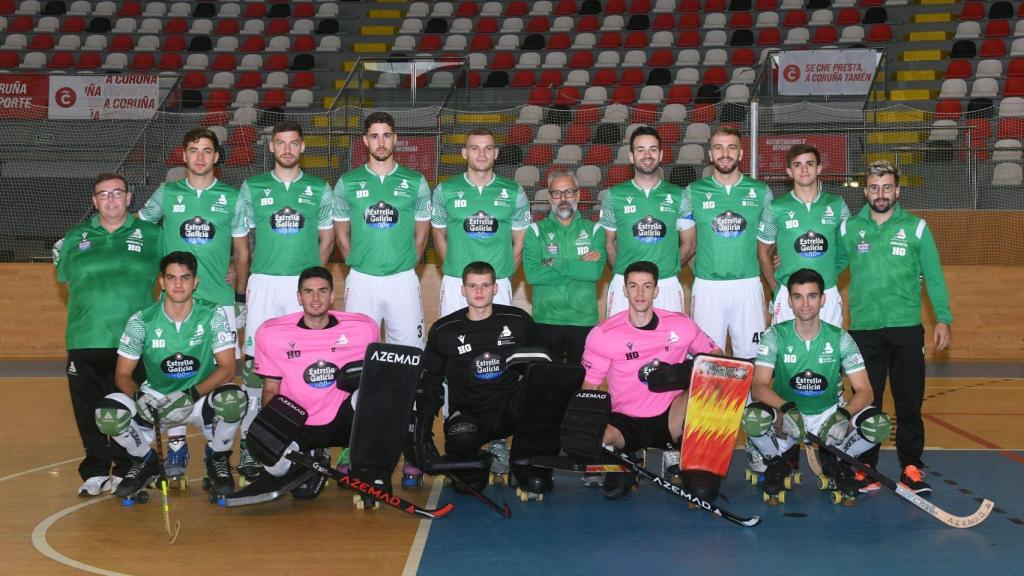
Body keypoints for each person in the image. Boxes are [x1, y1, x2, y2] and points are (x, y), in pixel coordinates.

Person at [836, 160, 952, 495]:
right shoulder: (850, 229)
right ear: (866, 191)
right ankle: (865, 467)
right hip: (864, 331)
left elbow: (933, 276)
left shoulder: (916, 227)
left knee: (908, 401)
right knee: (868, 402)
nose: (881, 193)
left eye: (887, 187)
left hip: (905, 329)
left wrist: (942, 317)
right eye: (874, 187)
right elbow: (831, 269)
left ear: (897, 191)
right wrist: (793, 270)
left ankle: (911, 468)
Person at [92, 251, 246, 502]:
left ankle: (217, 458)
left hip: (198, 398)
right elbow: (122, 374)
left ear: (195, 282)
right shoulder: (141, 321)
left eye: (185, 278)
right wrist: (138, 396)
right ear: (161, 282)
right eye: (171, 277)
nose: (178, 284)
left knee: (233, 398)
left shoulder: (213, 314)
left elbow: (228, 368)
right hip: (156, 401)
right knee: (108, 414)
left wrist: (191, 394)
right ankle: (145, 461)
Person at [137, 128, 246, 477]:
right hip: (175, 300)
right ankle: (178, 446)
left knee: (227, 379)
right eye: (194, 150)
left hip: (218, 299)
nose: (200, 156)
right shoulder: (167, 193)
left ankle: (218, 452)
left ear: (217, 157)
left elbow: (242, 251)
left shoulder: (233, 197)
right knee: (173, 369)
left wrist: (240, 294)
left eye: (207, 150)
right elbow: (135, 226)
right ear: (183, 156)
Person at [233, 120, 335, 481]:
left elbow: (327, 239)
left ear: (303, 148)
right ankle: (250, 443)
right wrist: (242, 294)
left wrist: (310, 282)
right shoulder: (252, 187)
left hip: (300, 286)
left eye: (294, 143)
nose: (288, 149)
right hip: (263, 284)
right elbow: (242, 244)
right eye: (281, 143)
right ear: (271, 148)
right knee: (255, 366)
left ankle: (310, 440)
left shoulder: (319, 188)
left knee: (307, 361)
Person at [406, 262, 560, 497]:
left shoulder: (517, 321)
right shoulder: (444, 330)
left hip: (510, 407)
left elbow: (548, 362)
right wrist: (423, 433)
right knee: (467, 484)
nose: (479, 292)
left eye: (485, 285)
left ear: (495, 288)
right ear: (463, 290)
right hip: (470, 412)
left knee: (541, 392)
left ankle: (525, 465)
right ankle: (482, 459)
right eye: (473, 286)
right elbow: (430, 383)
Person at [742, 268, 889, 505]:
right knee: (752, 417)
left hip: (828, 417)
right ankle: (775, 462)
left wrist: (843, 414)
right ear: (789, 301)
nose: (805, 303)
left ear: (823, 299)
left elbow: (866, 391)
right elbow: (758, 386)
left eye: (812, 296)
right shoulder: (774, 336)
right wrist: (785, 407)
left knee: (878, 425)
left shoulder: (841, 338)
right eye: (798, 296)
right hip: (788, 417)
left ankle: (841, 462)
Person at [56, 172, 163, 496]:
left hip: (133, 340)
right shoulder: (76, 237)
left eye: (117, 193)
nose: (111, 199)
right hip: (85, 337)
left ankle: (127, 466)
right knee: (88, 408)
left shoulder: (153, 235)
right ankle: (96, 469)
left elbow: (176, 275)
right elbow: (66, 278)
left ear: (130, 198)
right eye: (103, 195)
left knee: (126, 407)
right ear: (94, 201)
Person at [234, 266, 378, 502]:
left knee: (371, 391)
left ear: (332, 296)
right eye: (308, 292)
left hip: (341, 420)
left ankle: (366, 469)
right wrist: (274, 432)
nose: (315, 298)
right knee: (279, 471)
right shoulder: (272, 333)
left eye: (322, 291)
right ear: (299, 297)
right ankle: (312, 456)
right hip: (298, 422)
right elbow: (270, 388)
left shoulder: (363, 329)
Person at [579, 260, 721, 500]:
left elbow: (719, 361)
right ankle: (623, 457)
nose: (640, 293)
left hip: (669, 417)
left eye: (646, 286)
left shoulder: (681, 326)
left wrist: (686, 371)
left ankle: (694, 462)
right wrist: (584, 431)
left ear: (656, 291)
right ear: (624, 290)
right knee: (589, 435)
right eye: (633, 286)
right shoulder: (604, 335)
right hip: (624, 421)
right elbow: (589, 389)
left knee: (708, 392)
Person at [332, 111, 430, 347]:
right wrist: (355, 262)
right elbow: (341, 233)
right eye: (374, 136)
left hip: (403, 279)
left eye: (386, 136)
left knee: (410, 351)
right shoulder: (347, 182)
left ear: (395, 138)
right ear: (365, 140)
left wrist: (406, 265)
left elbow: (423, 233)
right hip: (361, 280)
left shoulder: (416, 181)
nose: (381, 142)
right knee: (357, 350)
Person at [681, 125, 773, 359]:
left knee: (753, 355)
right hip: (707, 287)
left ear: (741, 153)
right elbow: (688, 244)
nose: (725, 153)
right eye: (718, 148)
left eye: (731, 147)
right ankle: (710, 398)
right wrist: (703, 272)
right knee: (707, 357)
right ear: (710, 155)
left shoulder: (761, 191)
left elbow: (769, 242)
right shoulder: (692, 192)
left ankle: (752, 398)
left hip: (749, 286)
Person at [431, 129, 531, 317]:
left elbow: (520, 242)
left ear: (496, 153)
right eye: (475, 148)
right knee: (452, 342)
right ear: (465, 153)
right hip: (456, 282)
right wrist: (456, 270)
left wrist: (502, 274)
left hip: (497, 283)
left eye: (488, 148)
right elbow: (438, 235)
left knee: (500, 343)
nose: (482, 154)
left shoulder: (514, 191)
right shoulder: (444, 189)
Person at [599, 126, 693, 316]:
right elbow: (609, 243)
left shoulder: (680, 195)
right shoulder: (613, 195)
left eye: (653, 149)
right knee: (621, 344)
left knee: (672, 343)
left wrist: (669, 267)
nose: (647, 155)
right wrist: (625, 274)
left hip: (666, 283)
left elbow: (690, 243)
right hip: (625, 286)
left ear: (661, 155)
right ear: (631, 156)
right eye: (640, 149)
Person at [757, 143, 850, 327]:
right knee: (787, 352)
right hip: (788, 293)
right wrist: (776, 288)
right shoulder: (775, 207)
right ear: (789, 172)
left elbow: (847, 247)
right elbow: (762, 252)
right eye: (797, 165)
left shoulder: (837, 204)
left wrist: (829, 273)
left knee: (829, 352)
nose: (804, 169)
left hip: (827, 292)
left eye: (810, 163)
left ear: (819, 169)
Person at [523, 170, 606, 364]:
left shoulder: (595, 230)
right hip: (546, 320)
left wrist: (553, 262)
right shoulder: (535, 231)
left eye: (569, 192)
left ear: (578, 195)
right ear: (550, 198)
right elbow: (533, 275)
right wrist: (579, 268)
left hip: (583, 321)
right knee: (548, 386)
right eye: (557, 193)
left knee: (581, 384)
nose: (563, 199)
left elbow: (594, 272)